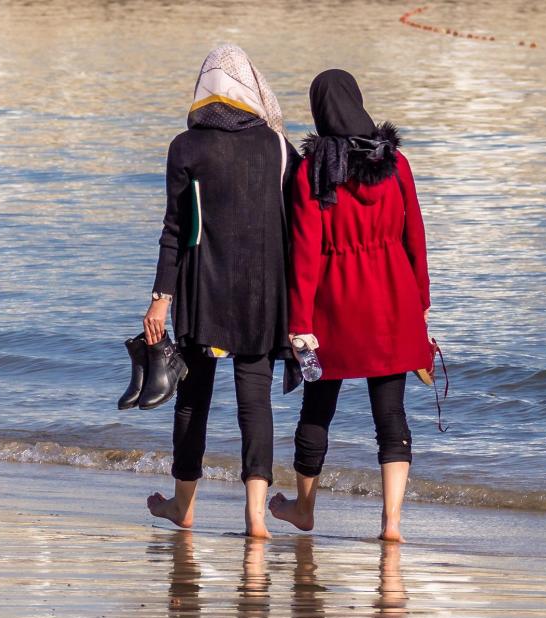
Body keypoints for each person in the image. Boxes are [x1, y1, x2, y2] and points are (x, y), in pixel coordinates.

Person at [269, 69, 432, 543]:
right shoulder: (396, 163)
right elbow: (415, 237)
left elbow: (304, 254)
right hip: (394, 301)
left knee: (317, 409)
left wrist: (299, 323)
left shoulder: (310, 171)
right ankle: (392, 524)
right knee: (391, 415)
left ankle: (303, 509)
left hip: (333, 306)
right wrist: (421, 302)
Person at [144, 44, 298, 538]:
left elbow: (175, 228)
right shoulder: (278, 147)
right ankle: (256, 517)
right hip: (262, 293)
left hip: (203, 290)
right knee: (256, 400)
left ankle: (183, 505)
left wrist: (160, 298)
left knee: (194, 399)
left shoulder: (186, 146)